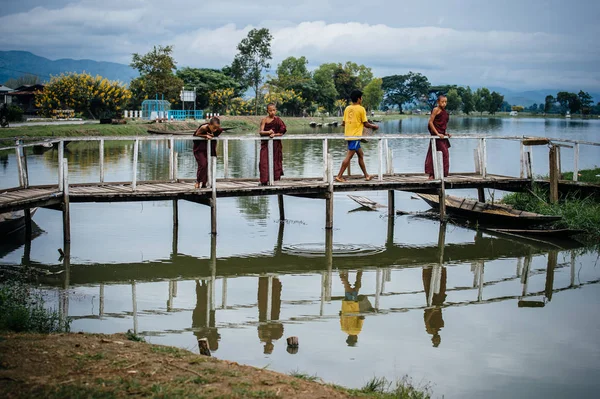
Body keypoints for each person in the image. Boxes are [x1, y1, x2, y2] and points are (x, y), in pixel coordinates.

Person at [335, 90, 379, 182]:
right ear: (359, 98)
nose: (361, 99)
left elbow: (343, 123)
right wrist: (374, 126)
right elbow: (366, 124)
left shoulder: (347, 108)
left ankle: (366, 175)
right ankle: (339, 176)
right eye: (361, 98)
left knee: (360, 154)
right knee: (349, 156)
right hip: (355, 136)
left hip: (348, 135)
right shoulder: (361, 109)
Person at [259, 104, 287, 186]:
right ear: (267, 111)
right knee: (264, 161)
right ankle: (264, 180)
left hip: (276, 144)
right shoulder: (264, 120)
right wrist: (268, 132)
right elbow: (261, 132)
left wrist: (274, 135)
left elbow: (282, 132)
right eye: (270, 110)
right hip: (265, 144)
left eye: (274, 110)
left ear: (276, 110)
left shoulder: (278, 120)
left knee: (275, 160)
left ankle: (275, 178)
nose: (272, 112)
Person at [424, 94, 451, 179]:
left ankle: (442, 174)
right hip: (437, 136)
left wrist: (445, 133)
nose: (444, 104)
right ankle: (432, 174)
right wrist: (437, 134)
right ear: (438, 102)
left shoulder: (445, 112)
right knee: (438, 153)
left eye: (445, 102)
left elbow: (442, 124)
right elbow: (430, 122)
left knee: (445, 154)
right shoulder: (436, 110)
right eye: (442, 102)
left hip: (442, 136)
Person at [193, 117, 224, 189]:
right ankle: (198, 182)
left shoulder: (218, 129)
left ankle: (204, 183)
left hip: (210, 149)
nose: (215, 130)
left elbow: (217, 133)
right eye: (214, 128)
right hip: (199, 149)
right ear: (209, 124)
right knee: (203, 164)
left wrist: (213, 135)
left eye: (217, 128)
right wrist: (205, 136)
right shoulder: (204, 127)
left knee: (209, 165)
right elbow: (197, 134)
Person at [339, 271, 368, 347]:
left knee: (350, 288)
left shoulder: (356, 331)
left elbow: (361, 318)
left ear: (354, 338)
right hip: (345, 306)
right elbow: (340, 317)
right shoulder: (343, 329)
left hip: (353, 306)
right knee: (353, 289)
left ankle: (342, 275)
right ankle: (357, 273)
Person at [422, 266, 447, 348]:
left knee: (430, 288)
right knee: (441, 288)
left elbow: (426, 320)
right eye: (438, 340)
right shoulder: (440, 326)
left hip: (432, 306)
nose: (437, 339)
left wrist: (432, 311)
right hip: (438, 304)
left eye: (436, 340)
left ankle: (428, 270)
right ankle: (440, 269)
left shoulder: (430, 330)